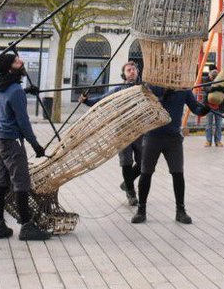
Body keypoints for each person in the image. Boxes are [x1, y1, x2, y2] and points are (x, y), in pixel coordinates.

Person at [0, 51, 52, 241]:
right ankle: (26, 226)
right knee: (21, 182)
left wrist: (25, 92)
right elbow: (23, 122)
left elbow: (11, 98)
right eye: (17, 61)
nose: (21, 61)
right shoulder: (15, 89)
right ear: (10, 68)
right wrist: (36, 145)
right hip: (11, 141)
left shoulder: (1, 84)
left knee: (1, 181)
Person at [134, 84, 210, 224]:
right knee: (146, 172)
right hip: (153, 135)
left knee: (178, 173)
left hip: (173, 137)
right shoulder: (151, 86)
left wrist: (205, 107)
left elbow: (195, 108)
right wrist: (163, 96)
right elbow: (144, 106)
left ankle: (180, 211)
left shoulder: (183, 89)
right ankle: (141, 209)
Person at [81, 61, 143, 205]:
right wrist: (87, 101)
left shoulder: (143, 88)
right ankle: (131, 193)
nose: (132, 72)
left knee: (143, 162)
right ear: (124, 75)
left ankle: (127, 183)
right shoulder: (118, 90)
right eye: (129, 70)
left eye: (134, 69)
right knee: (126, 162)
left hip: (140, 131)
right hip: (122, 131)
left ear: (138, 72)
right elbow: (102, 100)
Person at [204, 63, 224, 148]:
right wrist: (215, 87)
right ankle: (208, 141)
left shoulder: (222, 79)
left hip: (219, 106)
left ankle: (218, 141)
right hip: (208, 106)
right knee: (208, 124)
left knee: (219, 124)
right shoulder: (206, 79)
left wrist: (218, 87)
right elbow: (206, 89)